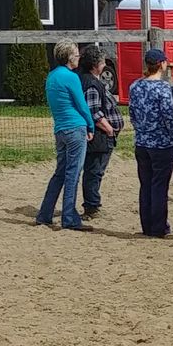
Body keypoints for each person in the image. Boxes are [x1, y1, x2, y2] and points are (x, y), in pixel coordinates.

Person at [36, 40, 94, 231]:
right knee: (73, 173)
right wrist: (91, 125)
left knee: (60, 172)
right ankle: (69, 216)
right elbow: (81, 104)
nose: (78, 58)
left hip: (60, 128)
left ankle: (45, 213)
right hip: (75, 127)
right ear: (70, 57)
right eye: (76, 55)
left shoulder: (51, 77)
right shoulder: (71, 77)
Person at [127, 48, 173, 238]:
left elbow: (132, 114)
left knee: (146, 184)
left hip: (142, 142)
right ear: (162, 64)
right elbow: (169, 117)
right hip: (162, 144)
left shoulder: (134, 86)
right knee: (159, 186)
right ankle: (158, 226)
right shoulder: (164, 88)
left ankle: (147, 225)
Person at [79, 47, 122, 218]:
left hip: (102, 134)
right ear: (96, 64)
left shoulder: (90, 81)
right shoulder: (91, 84)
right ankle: (91, 205)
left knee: (95, 170)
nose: (105, 64)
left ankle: (92, 203)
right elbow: (94, 111)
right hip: (99, 136)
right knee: (94, 170)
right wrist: (109, 129)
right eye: (103, 61)